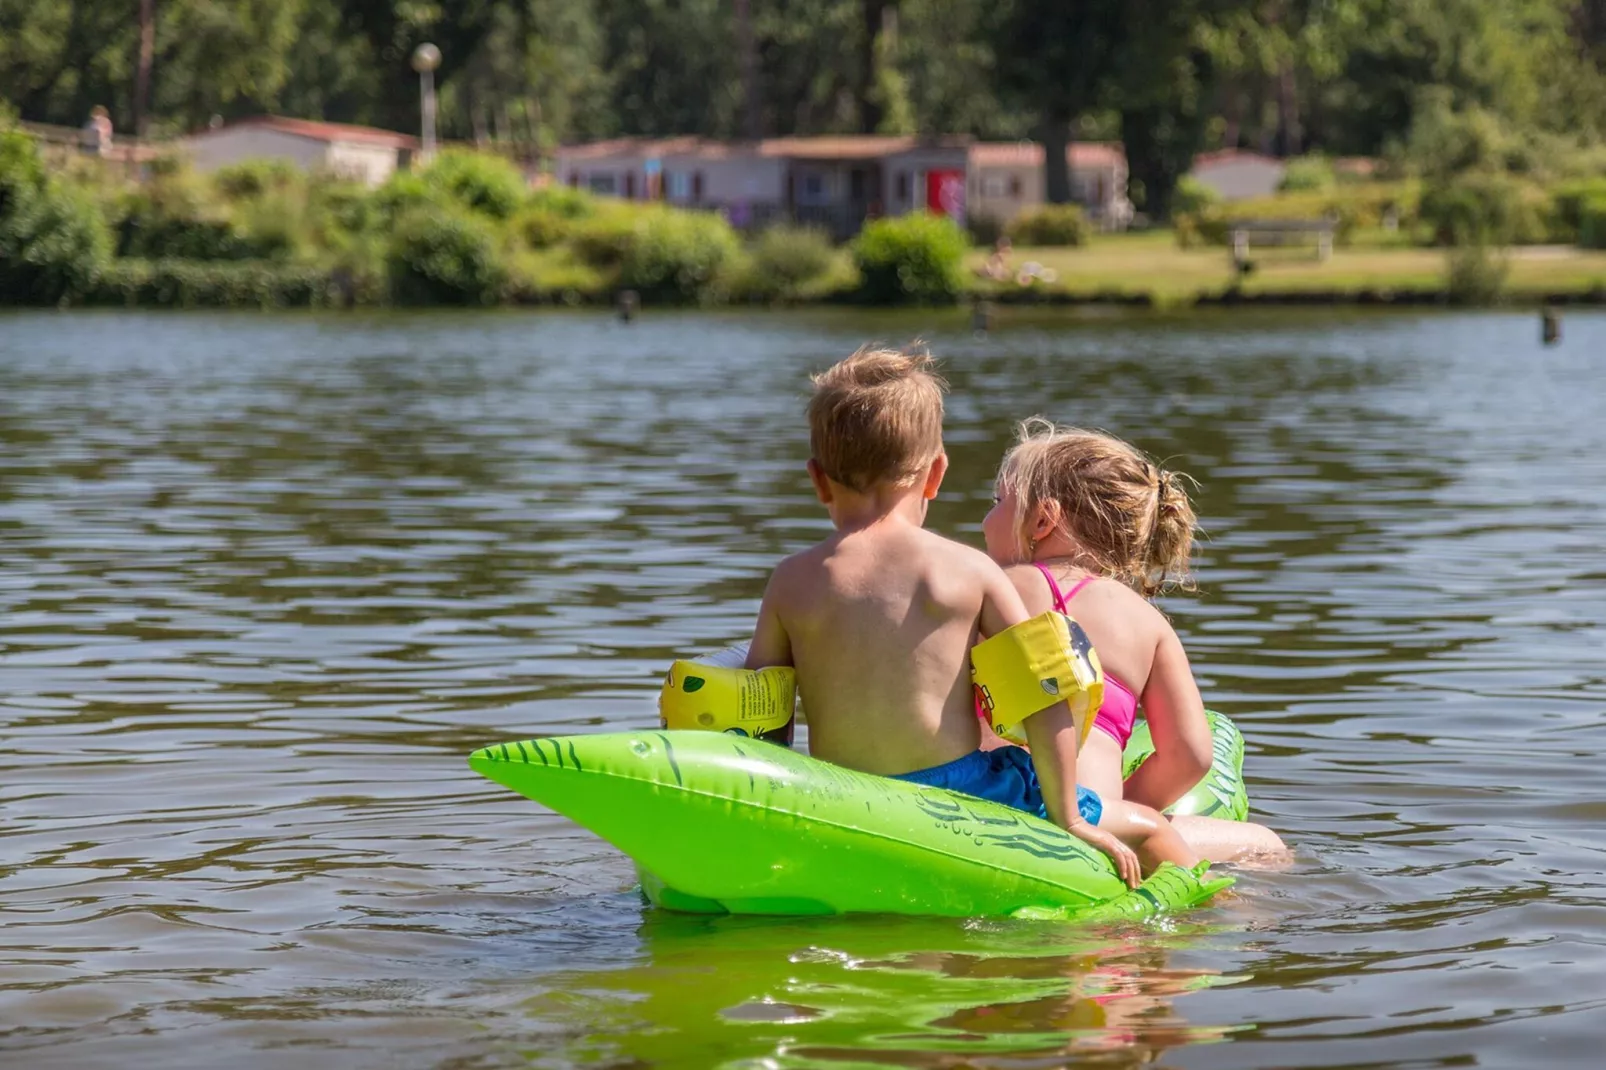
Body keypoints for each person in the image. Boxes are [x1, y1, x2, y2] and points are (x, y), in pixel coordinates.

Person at [742, 346, 1199, 887]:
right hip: (959, 793)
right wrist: (1069, 817)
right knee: (1152, 832)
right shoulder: (968, 572)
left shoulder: (791, 581)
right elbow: (1045, 689)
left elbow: (762, 710)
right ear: (935, 475)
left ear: (817, 479)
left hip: (842, 791)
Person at [981, 419, 1287, 862]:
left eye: (997, 502)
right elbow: (1191, 756)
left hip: (994, 810)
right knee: (1266, 845)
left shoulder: (999, 588)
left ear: (1043, 519)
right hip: (1098, 827)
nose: (986, 517)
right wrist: (1123, 808)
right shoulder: (1148, 623)